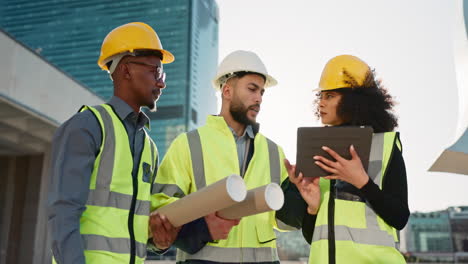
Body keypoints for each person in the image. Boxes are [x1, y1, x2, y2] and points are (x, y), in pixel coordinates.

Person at [47, 22, 180, 264]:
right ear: (127, 70)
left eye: (163, 74)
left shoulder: (149, 146)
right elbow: (63, 214)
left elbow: (135, 224)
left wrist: (158, 242)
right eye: (156, 72)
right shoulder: (87, 126)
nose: (161, 83)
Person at [152, 50, 292, 263]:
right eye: (252, 89)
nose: (258, 99)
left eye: (262, 92)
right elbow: (162, 208)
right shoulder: (189, 144)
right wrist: (201, 228)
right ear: (227, 90)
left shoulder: (274, 151)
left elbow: (283, 220)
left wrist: (305, 202)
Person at [276, 54, 410, 264]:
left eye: (330, 96)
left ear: (353, 101)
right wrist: (312, 209)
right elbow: (314, 238)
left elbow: (400, 217)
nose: (321, 103)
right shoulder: (318, 151)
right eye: (320, 96)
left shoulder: (385, 146)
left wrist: (363, 183)